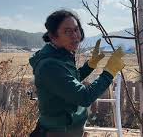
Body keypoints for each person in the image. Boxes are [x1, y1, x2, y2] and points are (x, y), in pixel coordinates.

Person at [29, 9, 125, 137]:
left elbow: (68, 83)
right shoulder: (49, 65)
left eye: (76, 29)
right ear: (53, 36)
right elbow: (84, 97)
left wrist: (89, 66)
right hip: (58, 132)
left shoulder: (61, 55)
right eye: (67, 31)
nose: (75, 35)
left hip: (68, 129)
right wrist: (109, 72)